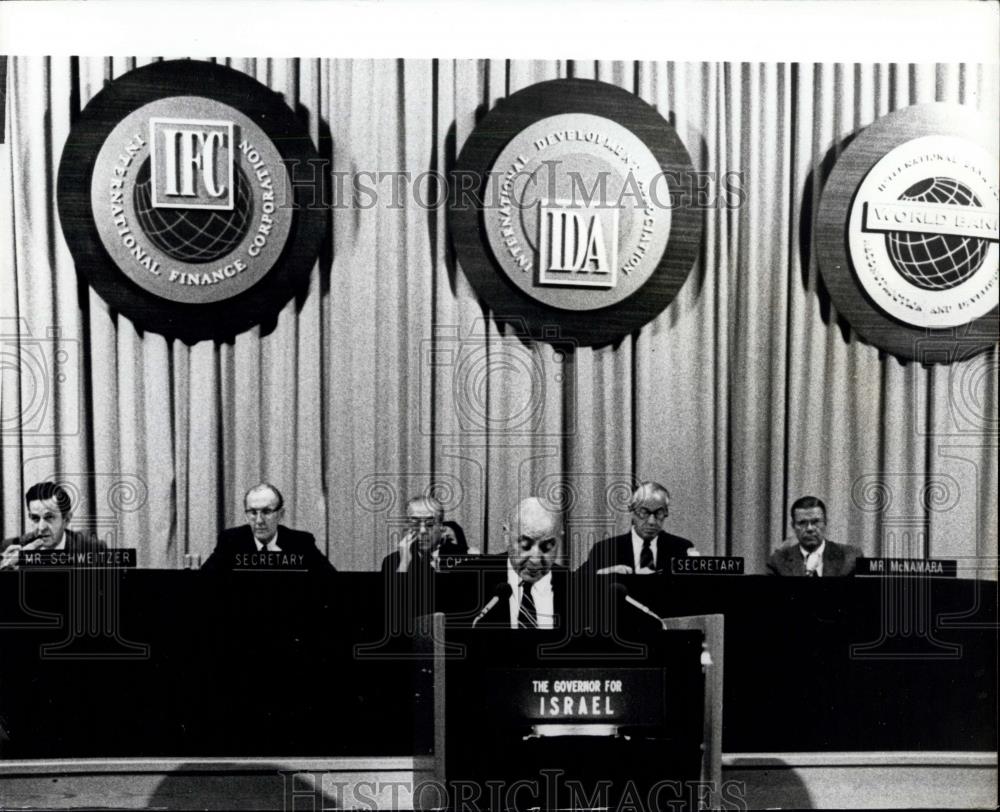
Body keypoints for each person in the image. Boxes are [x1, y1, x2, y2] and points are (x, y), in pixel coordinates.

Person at [463, 496, 568, 629]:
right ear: (507, 536)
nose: (535, 560)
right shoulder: (468, 578)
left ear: (559, 539)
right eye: (525, 545)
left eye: (547, 546)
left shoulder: (578, 589)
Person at [201, 483, 335, 574]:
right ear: (246, 516)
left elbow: (332, 582)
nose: (259, 521)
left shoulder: (301, 542)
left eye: (266, 512)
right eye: (253, 512)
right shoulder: (230, 541)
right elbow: (203, 582)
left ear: (281, 514)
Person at [581, 481, 697, 576]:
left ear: (666, 513)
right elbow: (577, 582)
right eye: (644, 512)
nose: (652, 522)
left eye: (659, 513)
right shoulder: (606, 549)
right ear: (631, 511)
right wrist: (605, 573)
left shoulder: (681, 548)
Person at [1, 482, 105, 570]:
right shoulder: (9, 548)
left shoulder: (93, 549)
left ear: (66, 519)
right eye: (35, 518)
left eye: (49, 517)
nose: (41, 527)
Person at [766, 496, 860, 577]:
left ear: (825, 522)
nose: (810, 529)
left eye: (816, 522)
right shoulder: (778, 562)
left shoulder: (851, 557)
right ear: (793, 526)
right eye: (802, 523)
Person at [380, 495, 471, 574]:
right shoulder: (392, 562)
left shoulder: (465, 558)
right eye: (415, 523)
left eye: (430, 524)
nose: (422, 530)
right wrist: (404, 564)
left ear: (441, 527)